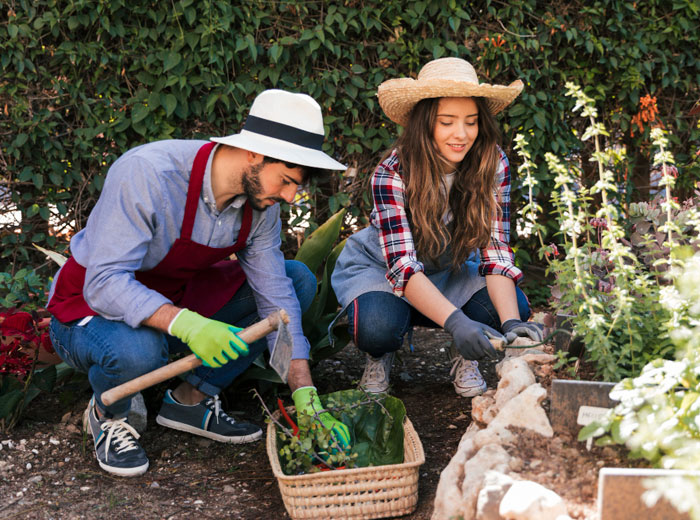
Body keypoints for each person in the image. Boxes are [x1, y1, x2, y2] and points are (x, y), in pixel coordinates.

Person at [47, 89, 351, 477]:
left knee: (297, 280)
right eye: (287, 181)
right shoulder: (149, 174)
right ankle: (110, 415)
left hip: (172, 300)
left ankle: (190, 401)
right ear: (255, 154)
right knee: (139, 351)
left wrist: (305, 395)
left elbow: (277, 299)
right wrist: (189, 325)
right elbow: (104, 282)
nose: (291, 196)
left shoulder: (259, 206)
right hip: (88, 310)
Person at [331, 57, 543, 398]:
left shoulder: (493, 162)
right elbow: (402, 266)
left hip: (450, 268)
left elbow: (496, 250)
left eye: (471, 123)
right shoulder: (392, 172)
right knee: (375, 328)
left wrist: (511, 325)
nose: (461, 135)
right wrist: (456, 322)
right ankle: (380, 354)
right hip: (382, 270)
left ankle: (465, 353)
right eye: (447, 122)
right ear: (425, 123)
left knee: (510, 306)